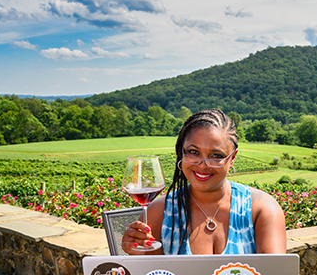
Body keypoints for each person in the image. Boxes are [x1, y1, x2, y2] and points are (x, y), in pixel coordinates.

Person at [121, 109, 287, 255]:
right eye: (193, 152)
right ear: (181, 153)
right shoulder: (159, 212)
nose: (202, 164)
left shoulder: (261, 209)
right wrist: (138, 253)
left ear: (232, 159)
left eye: (216, 156)